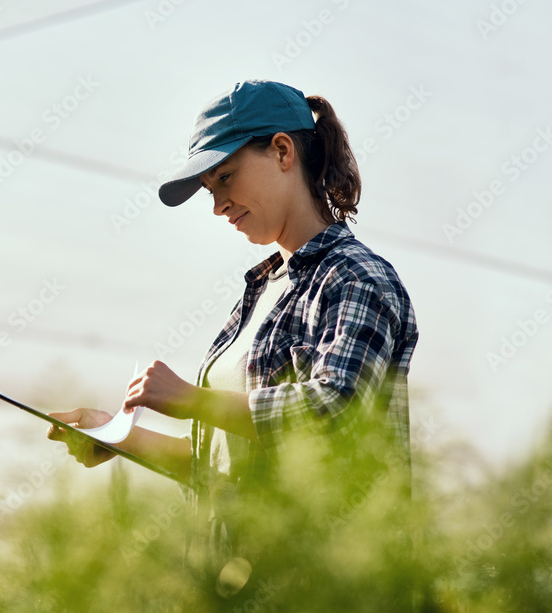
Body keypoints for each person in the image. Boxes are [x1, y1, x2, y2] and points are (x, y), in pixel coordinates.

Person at [47, 80, 418, 568]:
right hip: (241, 589)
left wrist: (193, 400)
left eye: (226, 178)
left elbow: (337, 411)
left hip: (330, 597)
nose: (218, 206)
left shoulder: (355, 276)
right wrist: (121, 437)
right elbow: (233, 465)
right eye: (209, 190)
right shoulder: (263, 290)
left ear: (283, 151)